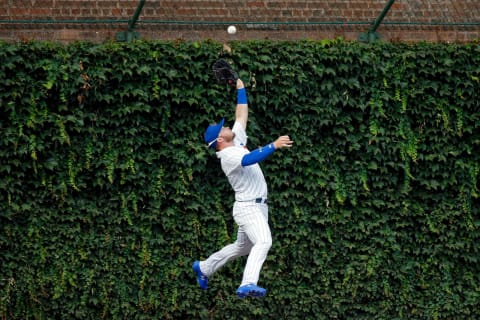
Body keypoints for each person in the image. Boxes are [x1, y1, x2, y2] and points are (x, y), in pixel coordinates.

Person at [193, 77, 293, 298]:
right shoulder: (226, 155)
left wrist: (240, 88)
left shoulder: (235, 141)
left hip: (255, 206)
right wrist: (273, 145)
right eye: (223, 127)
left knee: (243, 248)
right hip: (248, 208)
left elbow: (241, 115)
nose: (227, 126)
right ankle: (247, 283)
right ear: (220, 139)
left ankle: (204, 267)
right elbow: (248, 160)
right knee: (264, 241)